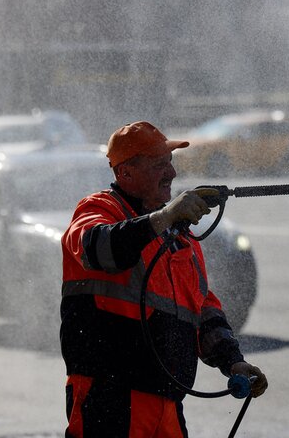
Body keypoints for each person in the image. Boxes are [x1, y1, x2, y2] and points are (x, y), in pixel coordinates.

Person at [60, 120, 267, 437]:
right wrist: (166, 215)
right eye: (159, 164)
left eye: (170, 162)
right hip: (109, 399)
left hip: (167, 403)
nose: (171, 172)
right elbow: (98, 248)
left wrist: (233, 362)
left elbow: (203, 309)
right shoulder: (99, 209)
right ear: (126, 173)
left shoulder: (181, 238)